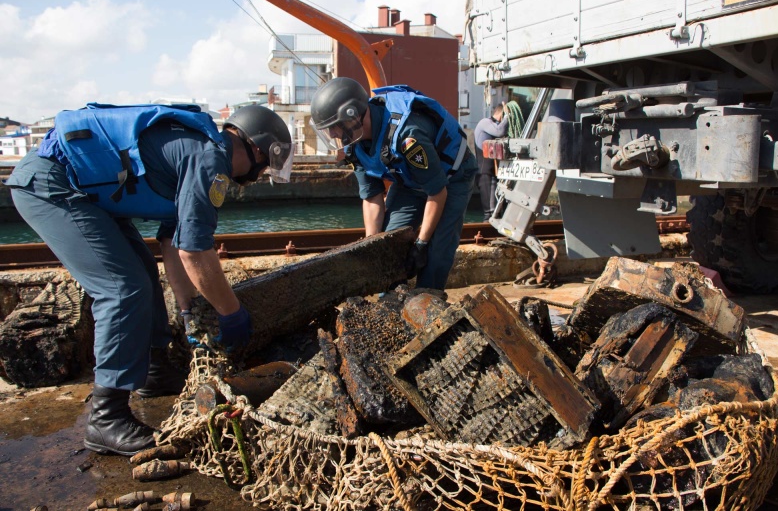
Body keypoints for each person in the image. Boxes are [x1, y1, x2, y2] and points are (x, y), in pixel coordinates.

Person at [4, 103, 294, 456]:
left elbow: (173, 244)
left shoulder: (199, 151)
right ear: (259, 149)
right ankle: (106, 417)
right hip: (52, 184)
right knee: (121, 289)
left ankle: (154, 372)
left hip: (84, 194)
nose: (261, 173)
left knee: (142, 273)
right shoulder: (209, 161)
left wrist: (189, 309)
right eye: (265, 166)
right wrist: (231, 313)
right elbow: (195, 251)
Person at [310, 78, 478, 291]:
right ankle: (389, 302)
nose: (332, 135)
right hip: (409, 180)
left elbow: (437, 192)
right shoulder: (355, 145)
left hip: (452, 176)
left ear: (352, 117)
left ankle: (428, 301)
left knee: (436, 251)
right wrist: (373, 246)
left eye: (333, 127)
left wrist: (421, 243)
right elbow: (372, 197)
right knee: (389, 244)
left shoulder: (408, 135)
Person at [473, 102, 509, 221]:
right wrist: (507, 116)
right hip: (485, 174)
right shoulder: (485, 123)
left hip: (494, 172)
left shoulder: (495, 126)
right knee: (490, 212)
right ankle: (486, 233)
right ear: (501, 114)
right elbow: (500, 131)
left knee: (499, 211)